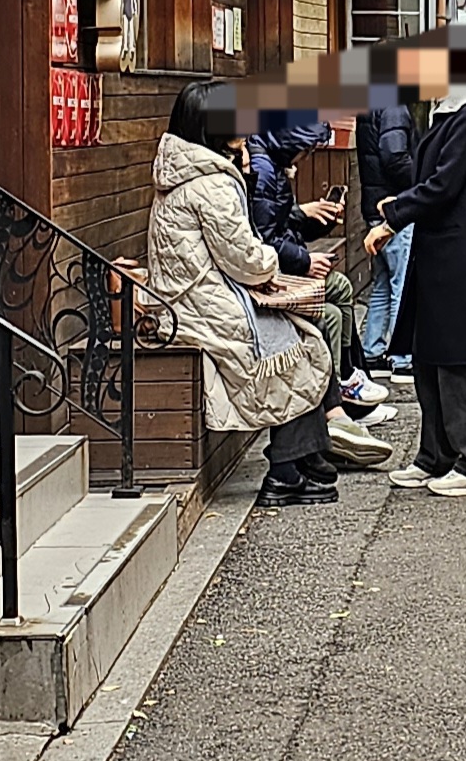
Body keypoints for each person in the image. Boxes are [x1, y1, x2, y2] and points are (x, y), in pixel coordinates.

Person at [139, 81, 390, 507]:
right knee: (300, 351)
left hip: (195, 301)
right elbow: (247, 258)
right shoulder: (210, 183)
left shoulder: (188, 172)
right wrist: (272, 264)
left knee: (305, 342)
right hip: (207, 308)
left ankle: (307, 462)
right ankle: (288, 470)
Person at [365, 52, 466, 497]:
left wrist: (394, 216)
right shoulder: (447, 113)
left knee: (458, 358)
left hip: (460, 255)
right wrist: (400, 207)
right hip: (439, 252)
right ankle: (436, 456)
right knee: (430, 357)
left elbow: (443, 185)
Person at [245, 107, 389, 417]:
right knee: (333, 308)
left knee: (340, 290)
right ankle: (337, 393)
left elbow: (276, 223)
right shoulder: (264, 168)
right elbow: (264, 237)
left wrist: (314, 218)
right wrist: (305, 260)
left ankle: (346, 378)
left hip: (278, 264)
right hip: (271, 274)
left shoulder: (271, 162)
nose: (307, 157)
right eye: (307, 150)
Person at [355, 86, 417, 377]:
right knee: (402, 282)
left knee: (382, 282)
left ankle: (372, 352)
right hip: (394, 206)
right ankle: (402, 358)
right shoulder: (393, 104)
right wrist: (421, 182)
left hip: (373, 204)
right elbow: (394, 157)